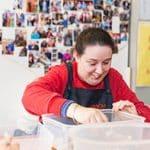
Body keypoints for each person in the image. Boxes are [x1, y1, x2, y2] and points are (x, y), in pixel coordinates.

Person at [22, 27, 150, 124]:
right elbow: (30, 96)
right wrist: (74, 110)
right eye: (92, 63)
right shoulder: (62, 74)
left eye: (106, 62)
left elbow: (145, 112)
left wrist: (135, 114)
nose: (100, 71)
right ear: (76, 56)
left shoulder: (113, 78)